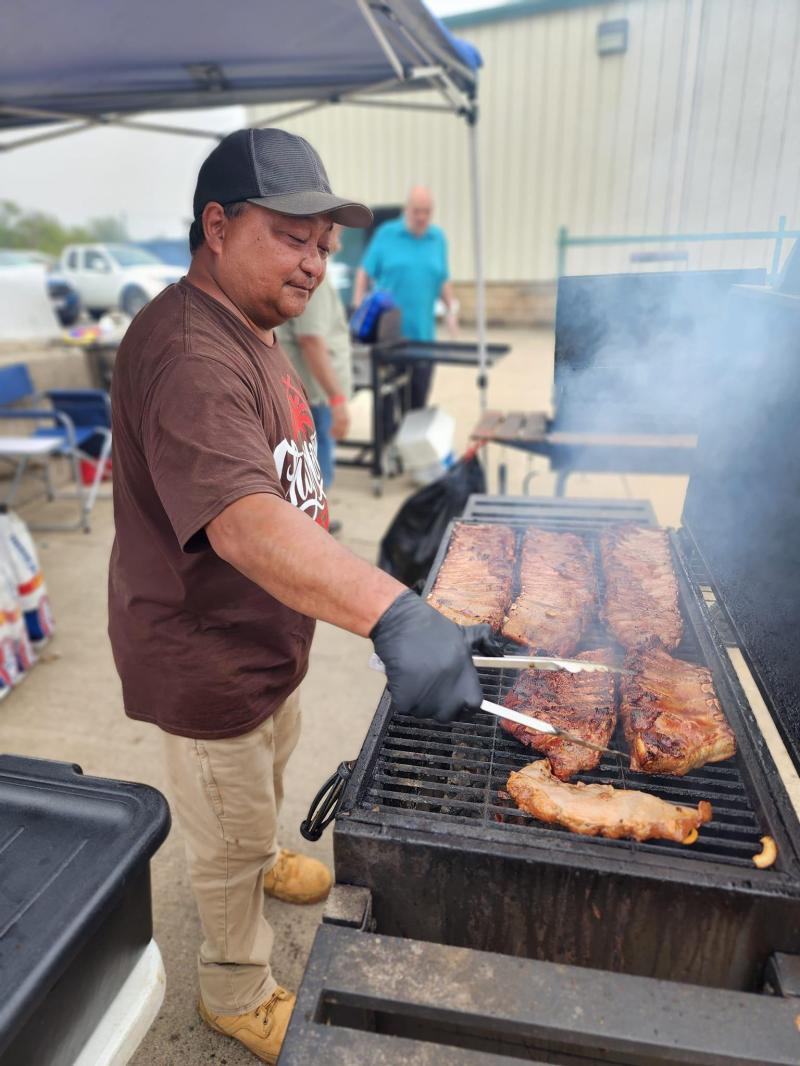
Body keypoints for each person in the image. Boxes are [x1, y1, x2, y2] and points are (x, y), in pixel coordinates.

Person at [108, 128, 493, 1065]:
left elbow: (286, 492)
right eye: (293, 236)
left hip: (262, 643)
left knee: (268, 773)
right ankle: (233, 990)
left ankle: (264, 847)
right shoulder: (192, 354)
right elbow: (242, 521)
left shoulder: (252, 329)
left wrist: (352, 576)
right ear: (216, 225)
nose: (317, 262)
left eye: (325, 244)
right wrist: (390, 611)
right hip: (205, 658)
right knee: (225, 837)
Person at [353, 185, 458, 410]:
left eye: (427, 212)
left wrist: (451, 312)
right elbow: (364, 272)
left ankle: (410, 444)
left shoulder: (437, 238)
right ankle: (390, 443)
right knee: (388, 406)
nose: (422, 217)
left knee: (417, 404)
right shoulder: (386, 234)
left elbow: (443, 278)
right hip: (390, 338)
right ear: (406, 209)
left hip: (423, 338)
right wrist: (357, 305)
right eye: (417, 211)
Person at [276, 224, 350, 534]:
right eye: (338, 231)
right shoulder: (313, 280)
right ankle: (311, 534)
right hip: (316, 400)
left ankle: (314, 528)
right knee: (313, 482)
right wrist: (337, 400)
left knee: (313, 481)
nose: (340, 239)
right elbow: (311, 342)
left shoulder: (319, 276)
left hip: (316, 397)